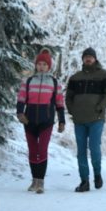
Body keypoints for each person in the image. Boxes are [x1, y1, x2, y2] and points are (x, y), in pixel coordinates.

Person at [65, 47, 106, 192]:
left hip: (96, 118)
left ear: (95, 59)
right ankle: (84, 181)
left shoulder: (104, 75)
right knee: (81, 151)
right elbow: (68, 97)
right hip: (79, 120)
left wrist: (101, 106)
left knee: (94, 148)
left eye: (90, 57)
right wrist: (72, 110)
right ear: (82, 59)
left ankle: (97, 174)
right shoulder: (75, 77)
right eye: (85, 56)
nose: (88, 59)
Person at [17, 48, 65, 194]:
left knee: (42, 149)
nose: (42, 66)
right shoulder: (28, 80)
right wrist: (20, 113)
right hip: (29, 120)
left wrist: (61, 121)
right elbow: (21, 98)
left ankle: (41, 182)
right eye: (39, 64)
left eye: (45, 64)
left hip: (46, 121)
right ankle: (34, 180)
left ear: (49, 66)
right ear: (36, 65)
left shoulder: (55, 83)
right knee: (32, 150)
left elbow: (59, 103)